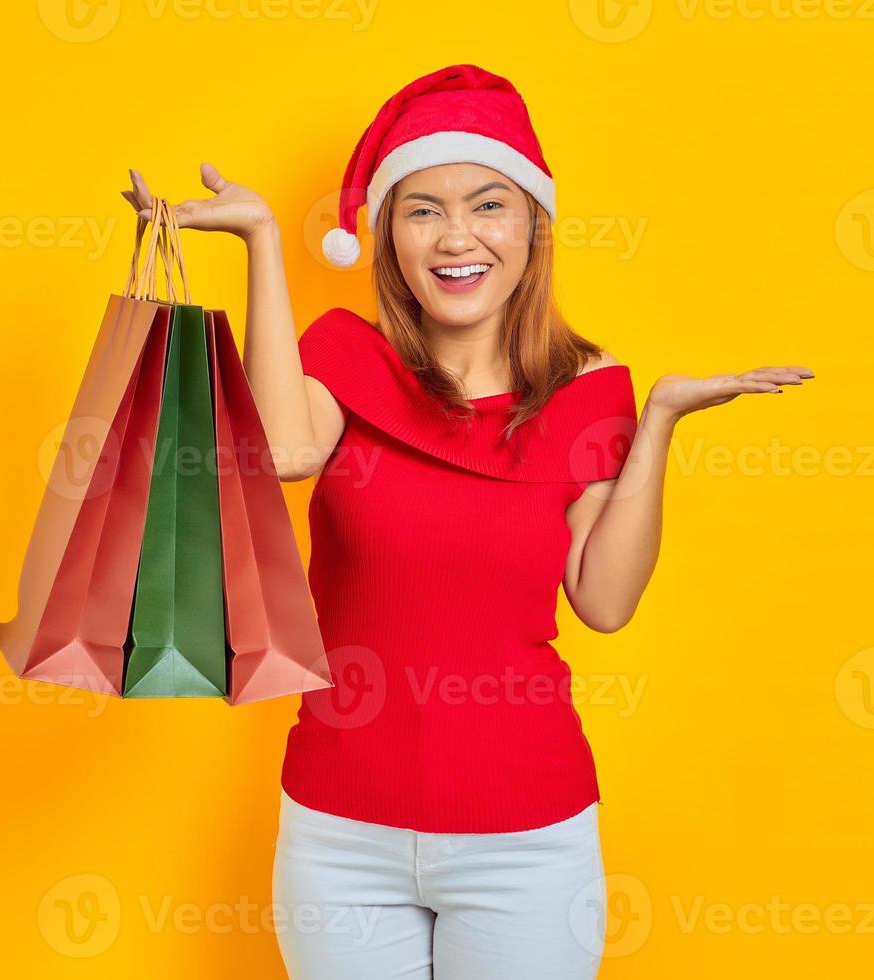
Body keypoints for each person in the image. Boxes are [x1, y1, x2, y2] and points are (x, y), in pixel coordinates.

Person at [169, 63, 813, 980]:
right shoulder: (342, 358)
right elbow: (282, 453)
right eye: (422, 209)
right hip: (340, 833)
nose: (456, 237)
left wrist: (659, 421)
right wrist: (262, 242)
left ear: (531, 228)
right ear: (386, 235)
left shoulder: (592, 392)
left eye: (488, 205)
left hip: (528, 841)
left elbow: (606, 600)